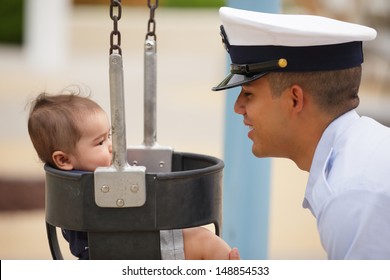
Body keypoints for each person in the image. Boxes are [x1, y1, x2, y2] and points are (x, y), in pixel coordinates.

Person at [212, 7, 390, 259]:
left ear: (295, 99)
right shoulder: (361, 156)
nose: (237, 107)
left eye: (249, 94)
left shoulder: (353, 195)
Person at [27, 89, 235, 260]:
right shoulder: (89, 188)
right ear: (63, 160)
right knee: (206, 243)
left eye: (109, 136)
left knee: (199, 238)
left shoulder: (68, 188)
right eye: (100, 142)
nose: (111, 146)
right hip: (130, 250)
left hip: (128, 244)